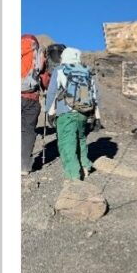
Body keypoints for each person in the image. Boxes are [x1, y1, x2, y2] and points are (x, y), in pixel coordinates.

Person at [45, 47, 101, 181]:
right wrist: (97, 117)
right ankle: (85, 167)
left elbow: (52, 93)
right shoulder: (87, 71)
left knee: (67, 143)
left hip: (66, 113)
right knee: (80, 140)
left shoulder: (60, 70)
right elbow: (94, 95)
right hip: (83, 113)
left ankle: (73, 176)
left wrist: (50, 112)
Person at [21, 34, 49, 176]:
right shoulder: (39, 54)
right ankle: (24, 166)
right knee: (28, 131)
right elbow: (44, 79)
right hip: (31, 98)